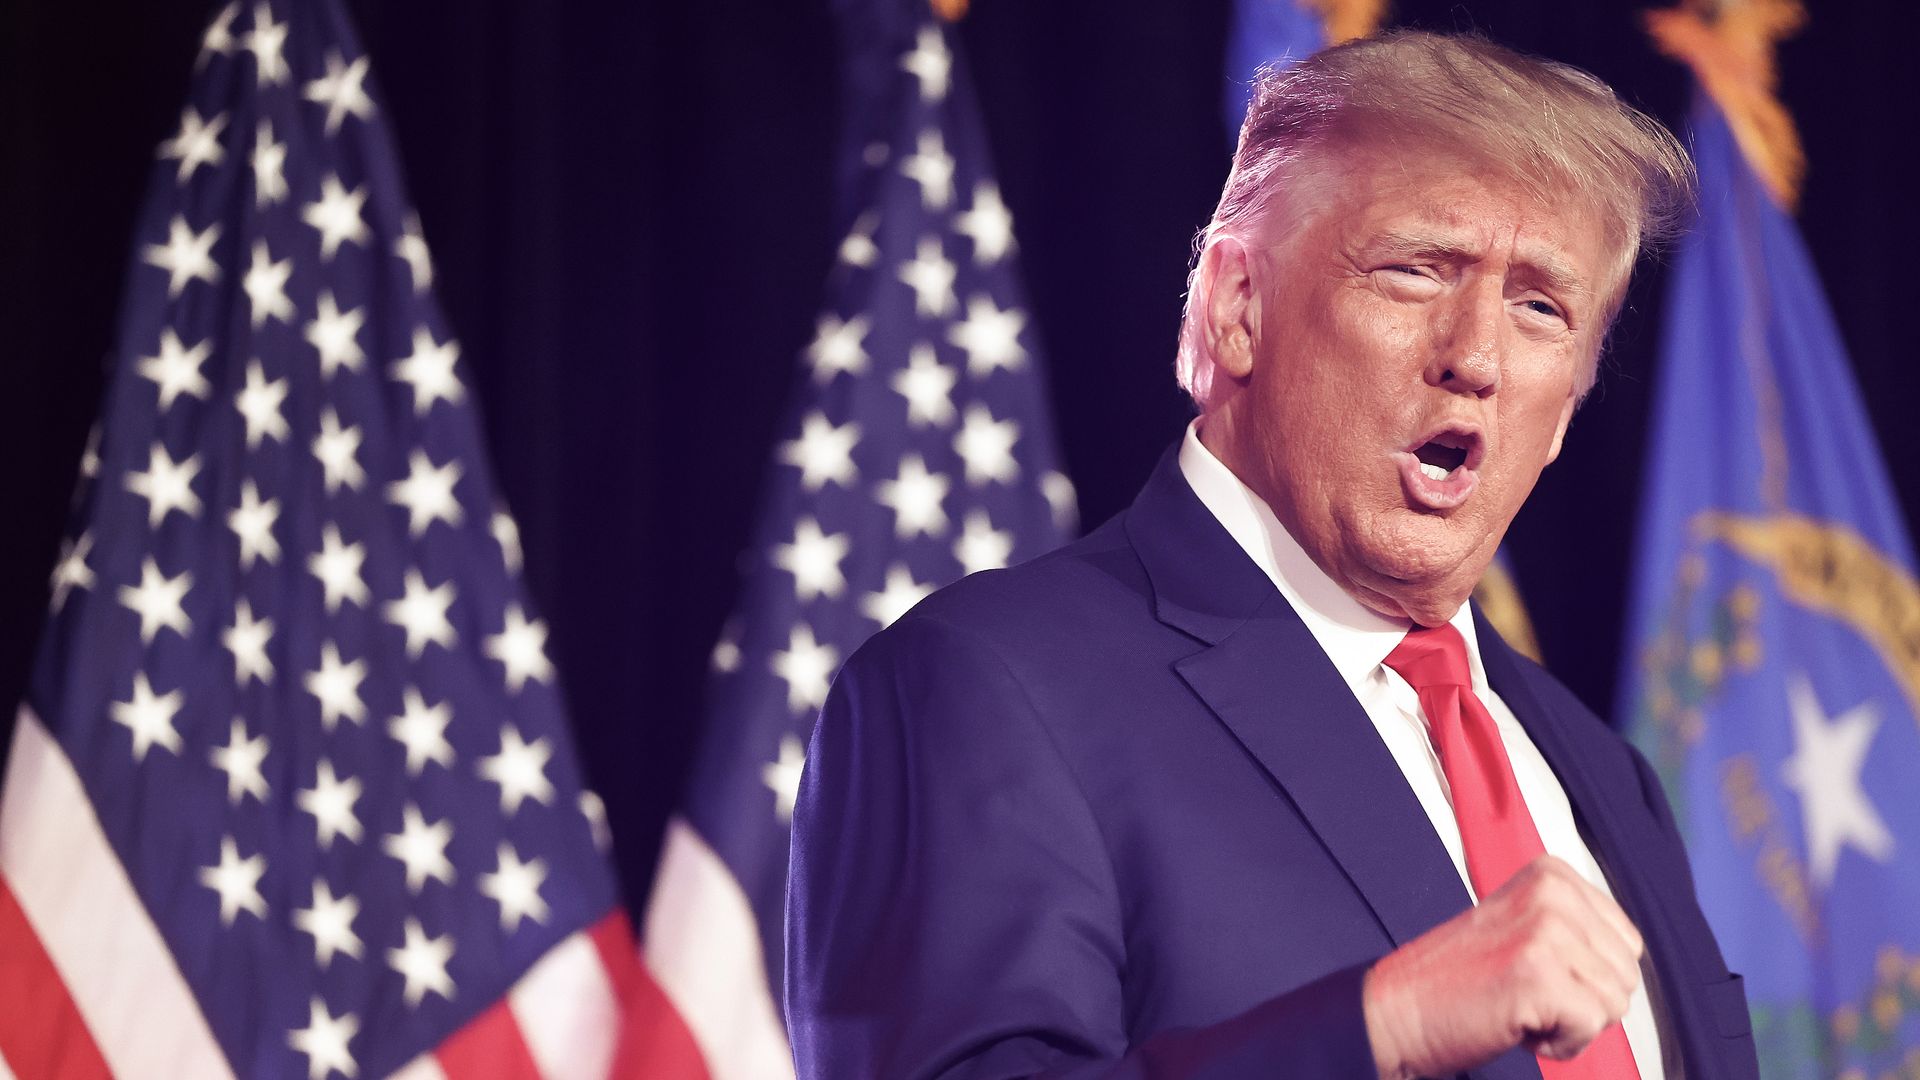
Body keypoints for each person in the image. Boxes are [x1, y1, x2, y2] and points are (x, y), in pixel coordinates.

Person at [786, 31, 1760, 1080]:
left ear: (1568, 407)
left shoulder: (1604, 773)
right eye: (1416, 270)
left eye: (1541, 307)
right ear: (1236, 308)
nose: (1476, 357)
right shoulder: (984, 686)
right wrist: (1386, 1023)